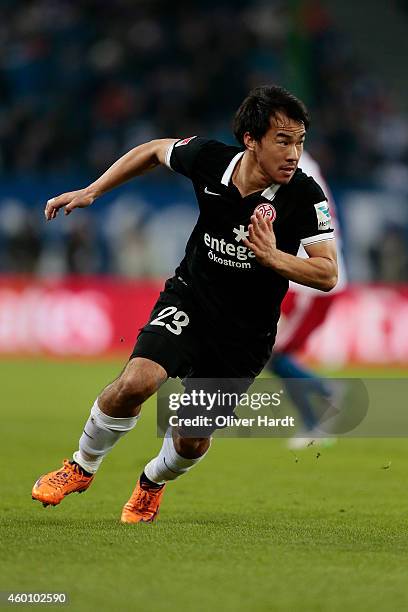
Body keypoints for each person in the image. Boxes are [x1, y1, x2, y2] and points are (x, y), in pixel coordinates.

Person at [32, 85, 337, 523]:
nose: (294, 154)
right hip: (191, 299)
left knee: (190, 439)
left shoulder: (304, 195)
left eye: (300, 142)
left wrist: (273, 257)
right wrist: (93, 191)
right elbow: (156, 150)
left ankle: (151, 483)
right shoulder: (210, 159)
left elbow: (327, 273)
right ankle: (81, 466)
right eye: (283, 140)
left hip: (245, 335)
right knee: (136, 382)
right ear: (251, 140)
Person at [267, 150, 347, 449]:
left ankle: (324, 395)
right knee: (275, 354)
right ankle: (319, 408)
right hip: (301, 278)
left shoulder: (297, 169)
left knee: (274, 353)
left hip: (310, 282)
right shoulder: (299, 164)